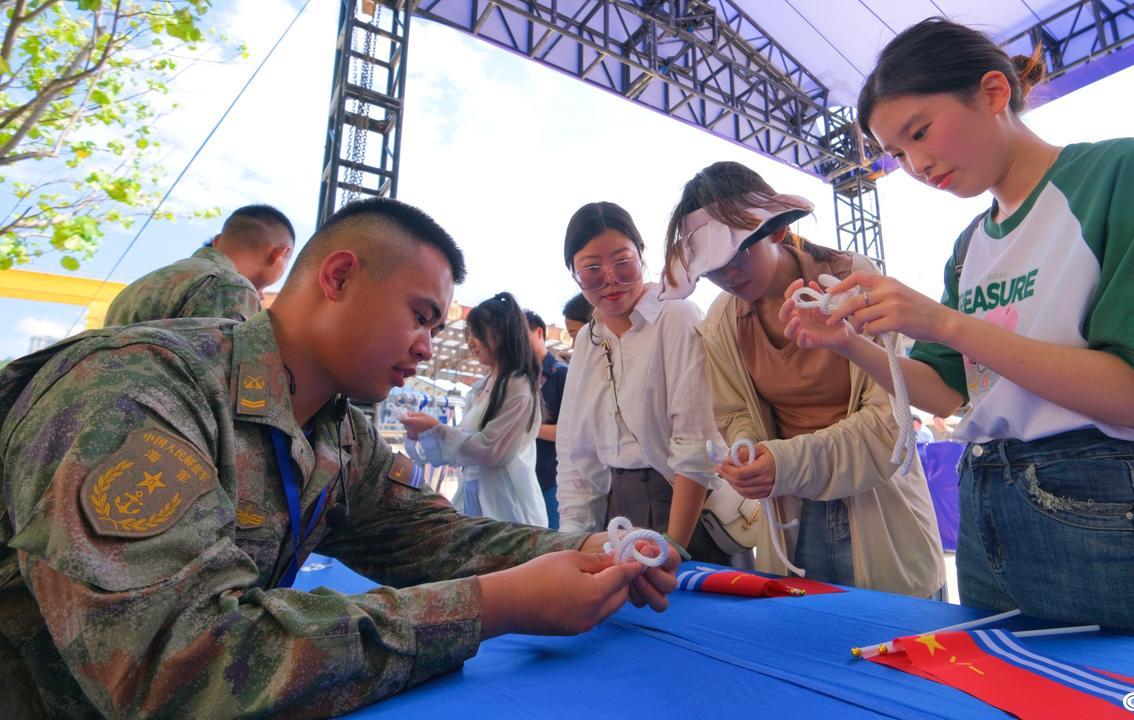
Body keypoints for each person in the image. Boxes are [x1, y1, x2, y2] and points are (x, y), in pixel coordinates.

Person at [0, 197, 678, 717]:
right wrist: (489, 606)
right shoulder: (136, 393)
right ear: (340, 275)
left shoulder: (339, 434)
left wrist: (588, 547)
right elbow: (180, 665)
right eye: (420, 315)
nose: (426, 346)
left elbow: (434, 536)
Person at [782, 18, 1134, 640]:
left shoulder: (1122, 173)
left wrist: (942, 321)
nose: (916, 164)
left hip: (1101, 496)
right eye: (897, 154)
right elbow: (947, 393)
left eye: (919, 132)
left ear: (993, 92)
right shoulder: (968, 248)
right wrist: (848, 345)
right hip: (986, 496)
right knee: (1005, 683)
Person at [660, 162, 944, 595]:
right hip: (789, 514)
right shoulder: (721, 321)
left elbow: (891, 425)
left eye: (738, 255)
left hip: (879, 508)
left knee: (893, 628)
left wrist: (782, 463)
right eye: (712, 267)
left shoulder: (850, 282)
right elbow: (733, 412)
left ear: (776, 231)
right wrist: (748, 449)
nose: (728, 275)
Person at [556, 201, 729, 564]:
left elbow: (696, 441)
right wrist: (572, 542)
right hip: (615, 511)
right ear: (573, 273)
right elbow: (575, 453)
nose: (610, 279)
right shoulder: (588, 340)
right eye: (592, 269)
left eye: (623, 262)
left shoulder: (677, 317)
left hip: (682, 507)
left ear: (641, 255)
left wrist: (674, 545)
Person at [401, 293, 547, 526]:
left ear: (501, 334)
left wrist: (436, 429)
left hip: (506, 506)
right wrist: (425, 432)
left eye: (476, 333)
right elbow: (463, 446)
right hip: (475, 495)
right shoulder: (483, 387)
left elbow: (492, 451)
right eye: (469, 333)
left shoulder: (517, 386)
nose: (470, 342)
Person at [105, 204, 296, 324]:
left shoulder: (143, 283)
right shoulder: (230, 286)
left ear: (217, 241)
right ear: (278, 254)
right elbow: (223, 370)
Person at [526, 309, 570, 528]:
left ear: (539, 333)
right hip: (526, 478)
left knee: (553, 538)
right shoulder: (521, 378)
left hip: (552, 479)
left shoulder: (561, 374)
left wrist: (526, 429)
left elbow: (570, 432)